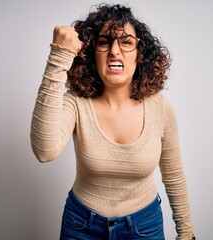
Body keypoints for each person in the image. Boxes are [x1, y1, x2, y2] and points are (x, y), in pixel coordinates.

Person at [30, 3, 195, 240]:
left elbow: (174, 175)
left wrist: (187, 233)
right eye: (105, 41)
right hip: (81, 227)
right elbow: (44, 152)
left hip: (144, 227)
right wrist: (59, 56)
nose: (115, 51)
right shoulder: (76, 103)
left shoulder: (161, 107)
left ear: (141, 54)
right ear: (91, 52)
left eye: (126, 42)